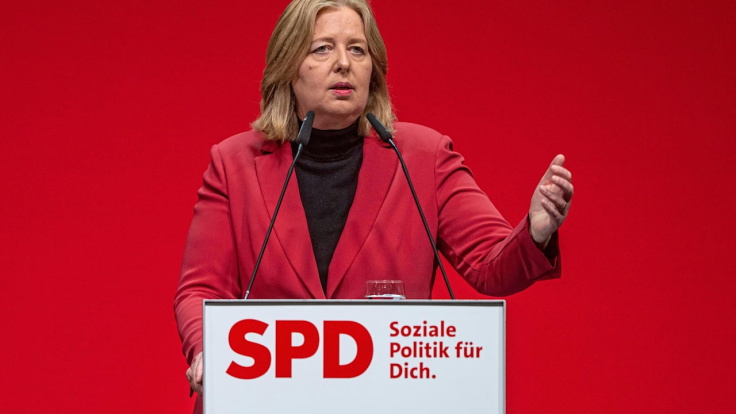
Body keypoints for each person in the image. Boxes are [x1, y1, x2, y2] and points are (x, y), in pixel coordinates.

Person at [175, 0, 573, 409]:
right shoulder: (233, 164)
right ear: (287, 66)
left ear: (373, 70)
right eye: (322, 48)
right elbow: (200, 289)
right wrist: (207, 350)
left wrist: (536, 230)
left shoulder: (425, 157)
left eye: (357, 49)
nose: (343, 63)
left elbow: (491, 265)